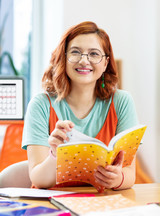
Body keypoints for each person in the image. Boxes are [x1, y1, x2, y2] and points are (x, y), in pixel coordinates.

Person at [21, 21, 138, 191]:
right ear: (64, 58)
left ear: (105, 63)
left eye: (94, 54)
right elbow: (39, 180)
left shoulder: (122, 102)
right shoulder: (41, 104)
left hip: (103, 204)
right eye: (75, 52)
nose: (84, 61)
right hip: (52, 204)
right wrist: (55, 154)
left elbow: (130, 175)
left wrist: (117, 178)